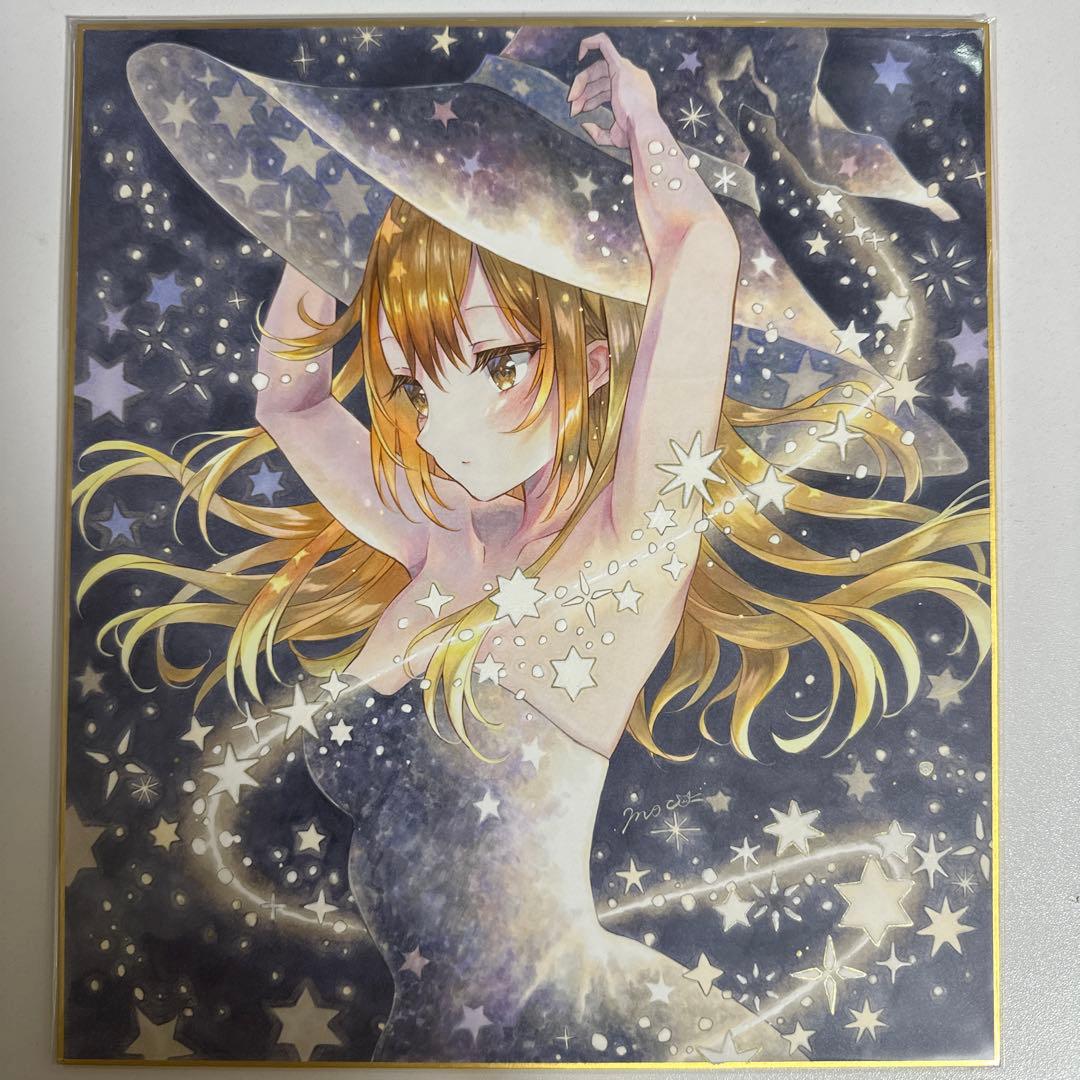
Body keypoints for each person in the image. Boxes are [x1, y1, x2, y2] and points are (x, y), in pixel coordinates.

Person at [76, 33, 990, 1063]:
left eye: (500, 365)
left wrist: (645, 126)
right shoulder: (442, 532)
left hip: (567, 1032)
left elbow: (701, 253)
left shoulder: (624, 549)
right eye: (412, 380)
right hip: (439, 1035)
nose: (444, 422)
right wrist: (337, 206)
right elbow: (289, 400)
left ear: (596, 364)